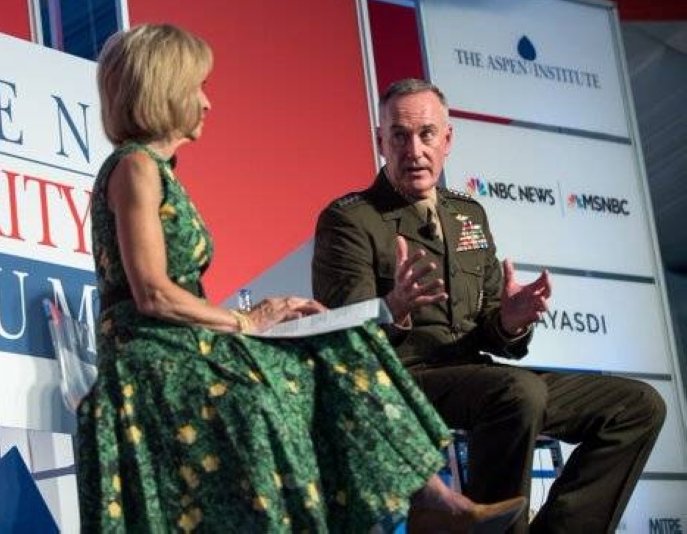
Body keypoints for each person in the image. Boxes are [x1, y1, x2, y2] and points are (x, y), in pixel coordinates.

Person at [77, 26, 526, 533]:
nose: (206, 102)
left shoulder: (154, 169)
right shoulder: (136, 167)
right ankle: (425, 503)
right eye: (197, 87)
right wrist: (246, 321)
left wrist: (263, 320)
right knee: (333, 351)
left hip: (184, 345)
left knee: (339, 339)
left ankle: (428, 499)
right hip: (153, 357)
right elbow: (153, 293)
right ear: (165, 90)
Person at [312, 78, 666, 534]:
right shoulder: (349, 219)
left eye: (426, 134)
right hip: (402, 381)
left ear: (447, 139)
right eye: (399, 136)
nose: (414, 150)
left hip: (480, 377)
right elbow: (342, 341)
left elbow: (491, 331)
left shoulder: (468, 214)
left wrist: (510, 322)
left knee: (637, 404)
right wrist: (392, 310)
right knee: (518, 392)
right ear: (381, 141)